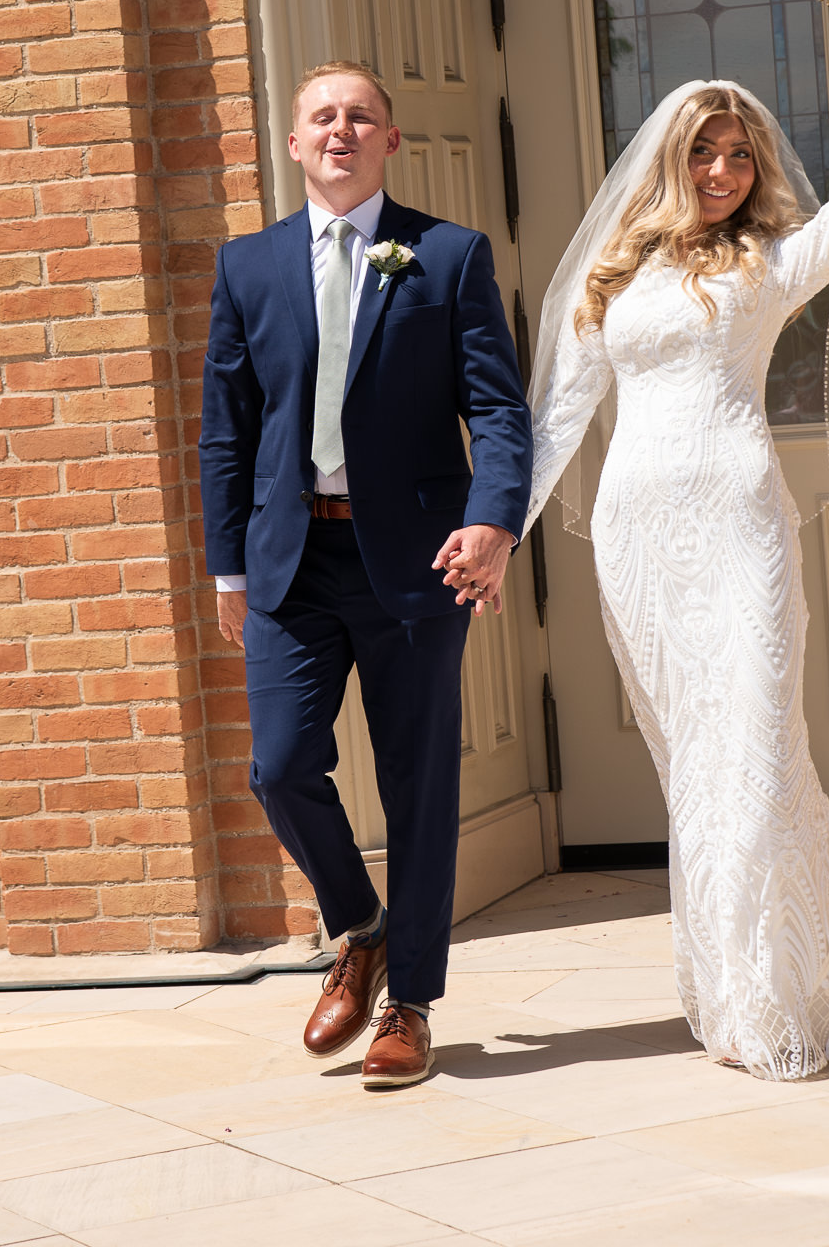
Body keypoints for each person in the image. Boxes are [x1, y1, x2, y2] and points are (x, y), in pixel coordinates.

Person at [525, 35, 829, 1081]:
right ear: (671, 162)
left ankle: (768, 1001)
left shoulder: (770, 261)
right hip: (640, 540)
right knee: (696, 764)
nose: (723, 172)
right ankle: (751, 978)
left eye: (738, 155)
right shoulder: (614, 274)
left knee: (758, 750)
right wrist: (494, 535)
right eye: (705, 155)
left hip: (741, 526)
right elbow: (559, 415)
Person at [200, 61, 532, 1089]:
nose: (341, 131)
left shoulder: (446, 256)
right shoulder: (247, 266)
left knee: (417, 783)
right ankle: (360, 924)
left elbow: (501, 411)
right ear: (294, 144)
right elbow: (226, 433)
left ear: (389, 141)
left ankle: (409, 1007)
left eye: (361, 117)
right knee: (282, 765)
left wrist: (493, 521)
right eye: (321, 118)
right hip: (289, 563)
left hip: (417, 563)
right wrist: (224, 567)